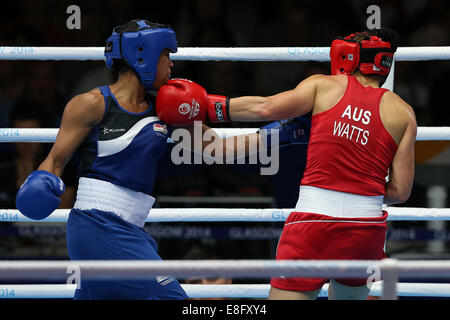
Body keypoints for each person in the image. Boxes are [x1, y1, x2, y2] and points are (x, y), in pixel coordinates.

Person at [154, 27, 416, 300]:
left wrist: (203, 107)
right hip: (366, 230)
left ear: (355, 55)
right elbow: (400, 192)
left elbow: (264, 108)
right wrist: (360, 186)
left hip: (313, 222)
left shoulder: (324, 86)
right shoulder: (404, 113)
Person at [15, 19, 188, 300]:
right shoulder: (91, 103)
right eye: (166, 54)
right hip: (98, 225)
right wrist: (40, 182)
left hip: (130, 229)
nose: (171, 63)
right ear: (142, 54)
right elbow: (54, 162)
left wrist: (275, 134)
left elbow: (220, 142)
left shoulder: (165, 107)